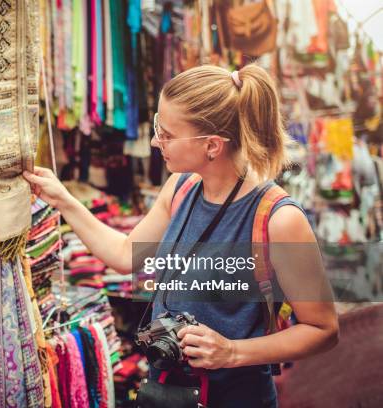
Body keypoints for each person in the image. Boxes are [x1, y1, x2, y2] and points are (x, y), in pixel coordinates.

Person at [23, 64, 339, 407]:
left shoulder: (279, 219)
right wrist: (63, 200)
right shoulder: (181, 188)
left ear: (212, 146)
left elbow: (323, 329)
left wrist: (232, 352)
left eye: (168, 134)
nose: (157, 141)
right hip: (169, 390)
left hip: (236, 396)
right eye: (159, 126)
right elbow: (124, 255)